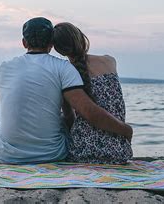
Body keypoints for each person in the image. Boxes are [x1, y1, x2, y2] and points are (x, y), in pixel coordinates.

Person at [0, 17, 133, 164]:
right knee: (58, 115)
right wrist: (125, 130)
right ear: (51, 44)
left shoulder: (5, 67)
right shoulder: (63, 67)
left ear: (24, 42)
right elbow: (86, 110)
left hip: (7, 156)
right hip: (53, 154)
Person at [53, 22, 133, 164]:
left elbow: (70, 117)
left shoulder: (65, 73)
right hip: (119, 150)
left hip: (84, 151)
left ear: (59, 50)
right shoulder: (109, 61)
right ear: (81, 37)